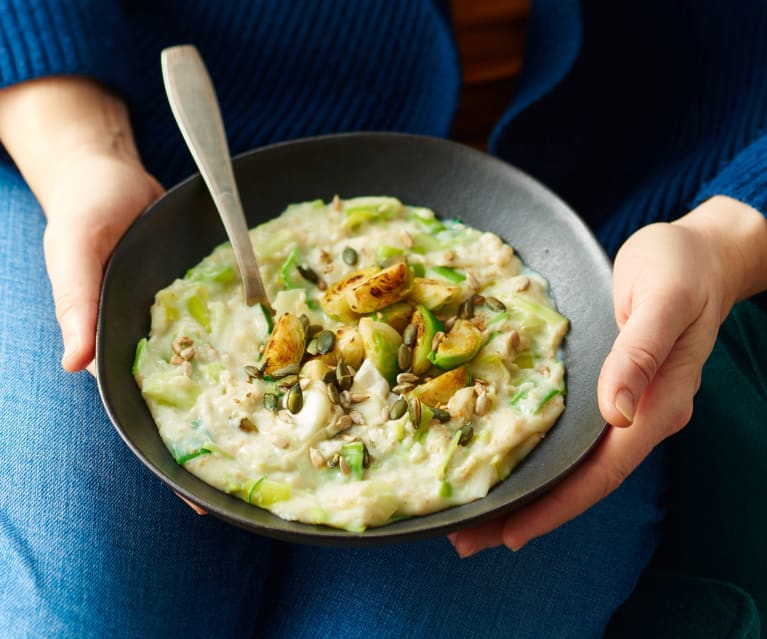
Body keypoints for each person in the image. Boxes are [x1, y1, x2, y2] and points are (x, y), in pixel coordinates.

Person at [0, 1, 764, 637]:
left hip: (616, 232)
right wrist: (81, 153)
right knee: (91, 612)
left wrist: (727, 237)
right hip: (153, 160)